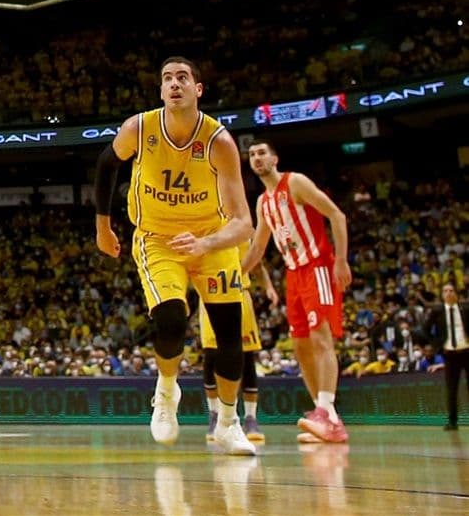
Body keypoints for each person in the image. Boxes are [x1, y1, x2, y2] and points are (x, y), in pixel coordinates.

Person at [92, 56, 256, 455]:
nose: (174, 84)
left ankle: (230, 424)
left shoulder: (219, 142)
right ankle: (166, 393)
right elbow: (105, 164)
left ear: (198, 89)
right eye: (167, 78)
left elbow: (243, 224)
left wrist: (207, 244)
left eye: (183, 78)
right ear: (161, 90)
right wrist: (102, 226)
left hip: (210, 239)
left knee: (229, 336)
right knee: (170, 318)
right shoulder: (140, 128)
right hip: (158, 238)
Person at [241, 138, 351, 443]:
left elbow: (337, 216)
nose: (257, 158)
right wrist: (236, 274)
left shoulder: (296, 183)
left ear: (275, 159)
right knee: (301, 347)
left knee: (320, 339)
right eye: (252, 155)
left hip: (317, 267)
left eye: (262, 152)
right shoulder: (264, 202)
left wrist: (340, 261)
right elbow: (258, 246)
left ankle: (327, 411)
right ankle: (324, 414)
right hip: (293, 275)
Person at [198, 284, 264, 444]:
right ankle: (214, 415)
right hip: (210, 290)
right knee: (212, 353)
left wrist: (265, 284)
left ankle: (250, 419)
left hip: (239, 290)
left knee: (247, 355)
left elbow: (259, 262)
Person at [424, 281, 469, 430]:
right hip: (450, 354)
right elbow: (425, 330)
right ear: (442, 295)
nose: (449, 293)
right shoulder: (437, 311)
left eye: (451, 290)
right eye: (445, 291)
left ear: (456, 293)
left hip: (467, 351)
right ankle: (452, 421)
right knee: (451, 389)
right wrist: (437, 345)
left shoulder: (465, 308)